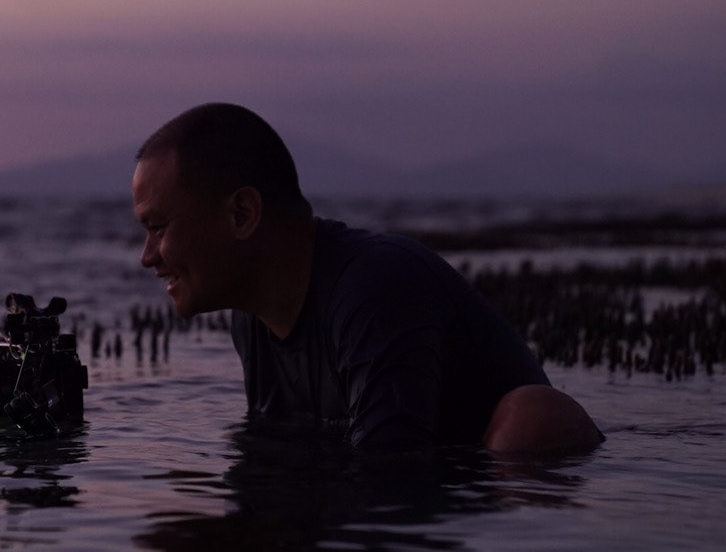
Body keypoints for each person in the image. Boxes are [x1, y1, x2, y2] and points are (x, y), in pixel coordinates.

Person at [132, 102, 602, 457]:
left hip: (485, 520)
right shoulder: (252, 318)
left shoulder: (377, 286)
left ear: (242, 213)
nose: (147, 257)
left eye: (158, 228)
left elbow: (387, 482)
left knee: (531, 418)